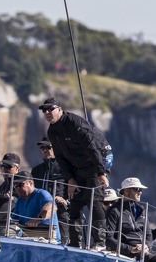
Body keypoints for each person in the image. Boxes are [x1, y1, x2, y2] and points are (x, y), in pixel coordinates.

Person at [40, 96, 110, 250]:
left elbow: (93, 148)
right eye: (45, 110)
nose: (47, 112)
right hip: (77, 168)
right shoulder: (52, 131)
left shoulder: (75, 123)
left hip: (95, 163)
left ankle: (100, 243)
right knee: (75, 204)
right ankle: (74, 244)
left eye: (50, 109)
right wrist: (70, 179)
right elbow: (60, 158)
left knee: (94, 201)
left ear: (59, 109)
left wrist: (101, 173)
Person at [31, 136, 71, 244]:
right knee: (38, 239)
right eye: (42, 148)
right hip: (41, 209)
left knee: (63, 241)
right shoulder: (36, 170)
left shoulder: (66, 168)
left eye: (48, 147)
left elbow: (74, 187)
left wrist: (65, 200)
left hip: (60, 209)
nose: (45, 150)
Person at [11, 171, 59, 240]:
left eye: (20, 185)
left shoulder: (42, 194)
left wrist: (38, 218)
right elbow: (13, 220)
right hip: (29, 239)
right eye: (15, 185)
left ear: (30, 183)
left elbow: (53, 207)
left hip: (47, 240)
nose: (17, 188)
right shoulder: (20, 200)